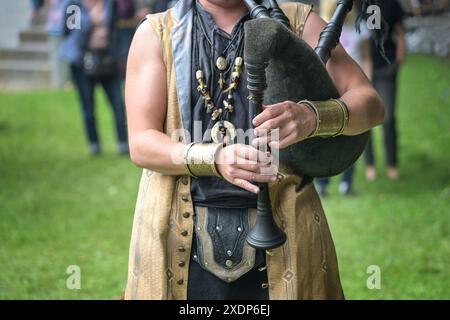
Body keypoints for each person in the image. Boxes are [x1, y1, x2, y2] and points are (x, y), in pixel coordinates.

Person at [124, 0, 384, 300]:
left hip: (289, 239)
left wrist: (312, 117)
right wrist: (215, 158)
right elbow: (141, 142)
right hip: (178, 239)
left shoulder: (297, 22)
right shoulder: (157, 33)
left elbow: (371, 105)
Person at [316, 1, 373, 197]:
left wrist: (366, 83)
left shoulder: (360, 27)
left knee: (351, 136)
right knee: (323, 137)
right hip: (327, 89)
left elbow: (366, 58)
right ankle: (322, 184)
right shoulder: (319, 26)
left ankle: (346, 184)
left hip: (352, 90)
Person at [59, 0, 128, 155]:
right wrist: (90, 20)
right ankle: (94, 145)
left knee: (118, 104)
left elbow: (116, 26)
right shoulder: (74, 5)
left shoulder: (110, 3)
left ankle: (123, 144)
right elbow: (70, 32)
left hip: (108, 59)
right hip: (82, 62)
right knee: (88, 107)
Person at [364, 0, 406, 181]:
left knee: (388, 119)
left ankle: (392, 164)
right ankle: (370, 165)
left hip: (386, 67)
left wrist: (401, 53)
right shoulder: (358, 4)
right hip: (362, 69)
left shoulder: (391, 4)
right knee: (365, 120)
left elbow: (400, 32)